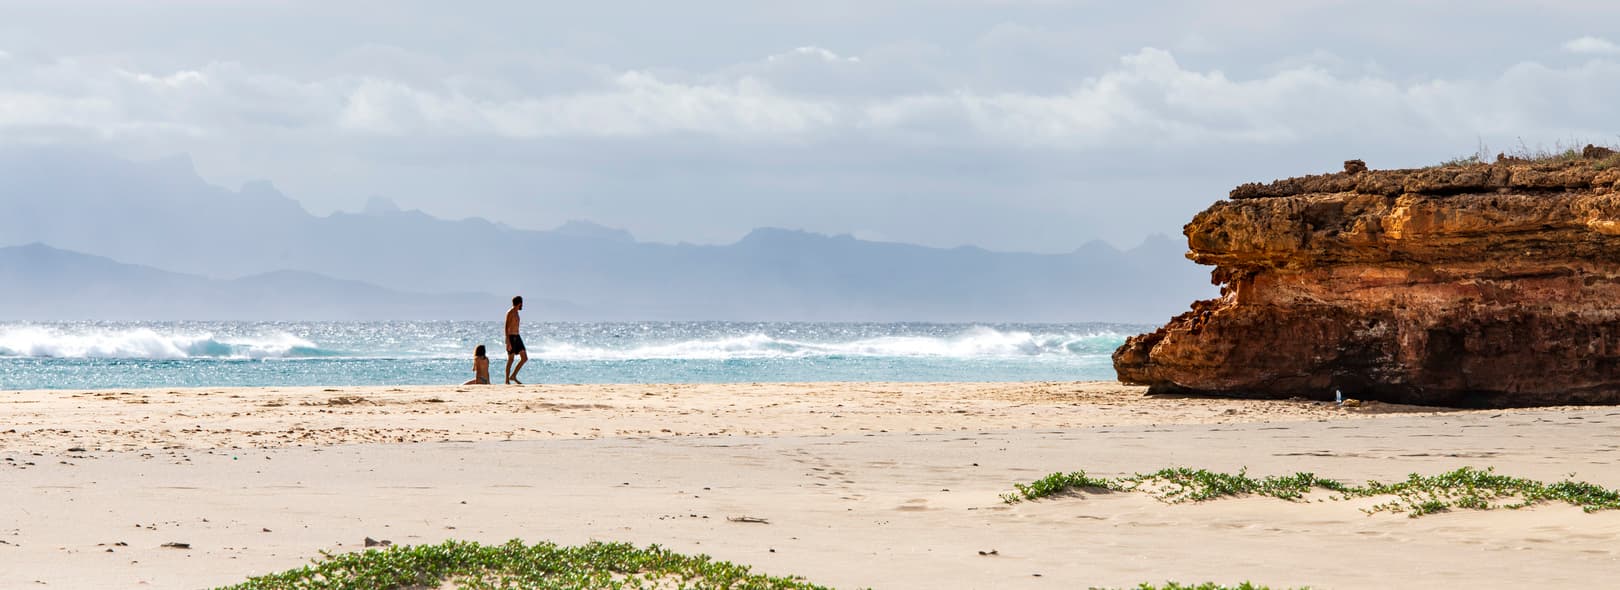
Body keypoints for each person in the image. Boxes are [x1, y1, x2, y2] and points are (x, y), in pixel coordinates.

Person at [505, 295, 527, 384]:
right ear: (520, 303)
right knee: (511, 359)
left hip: (517, 337)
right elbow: (506, 327)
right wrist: (508, 342)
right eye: (522, 303)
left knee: (524, 358)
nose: (522, 305)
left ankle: (513, 376)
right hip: (511, 337)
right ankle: (507, 380)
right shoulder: (510, 312)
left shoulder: (517, 312)